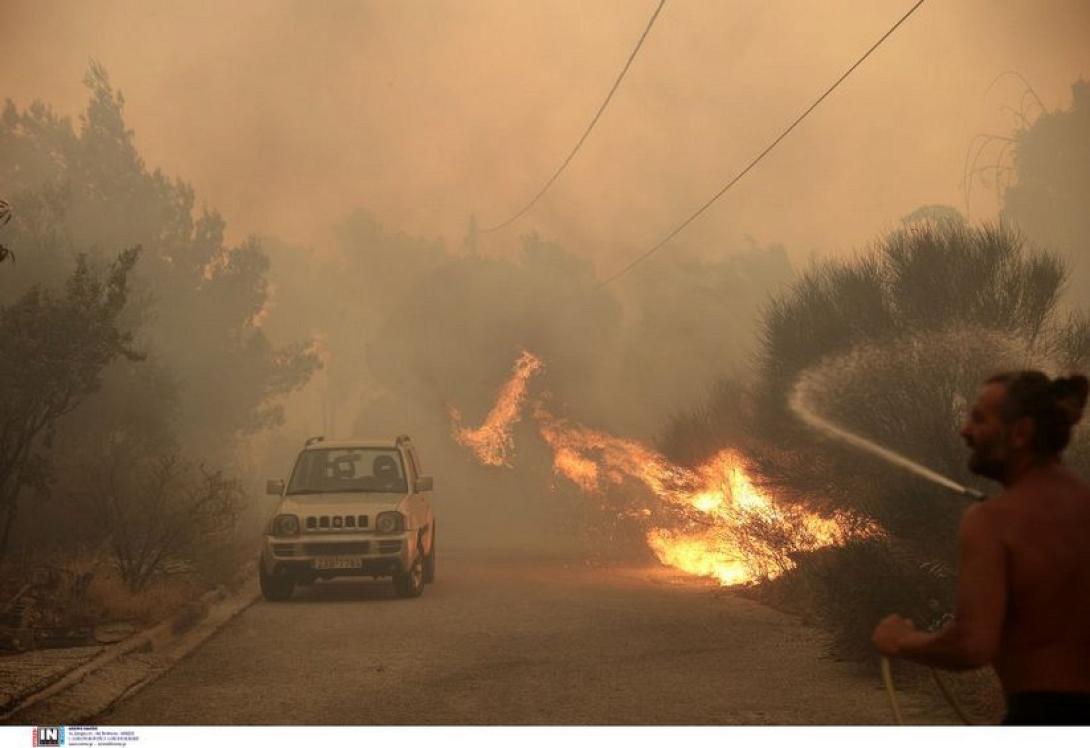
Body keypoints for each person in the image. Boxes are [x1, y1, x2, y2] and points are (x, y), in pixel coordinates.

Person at [872, 370, 1090, 725]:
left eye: (979, 418)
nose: (965, 431)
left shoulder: (992, 521)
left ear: (1020, 433)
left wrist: (902, 641)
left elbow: (972, 645)